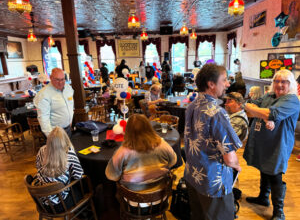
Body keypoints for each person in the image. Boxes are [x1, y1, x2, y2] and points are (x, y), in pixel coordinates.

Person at [184, 63, 242, 220]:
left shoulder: (192, 105)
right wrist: (237, 166)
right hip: (213, 181)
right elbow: (229, 158)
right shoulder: (217, 113)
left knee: (198, 216)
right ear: (211, 84)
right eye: (224, 80)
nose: (228, 84)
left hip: (192, 175)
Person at [244, 69, 300, 220]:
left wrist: (259, 111)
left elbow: (271, 114)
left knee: (275, 173)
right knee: (264, 167)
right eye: (276, 81)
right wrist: (255, 109)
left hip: (279, 143)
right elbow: (251, 105)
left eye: (284, 82)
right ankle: (263, 197)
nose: (279, 84)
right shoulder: (269, 95)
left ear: (291, 84)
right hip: (265, 141)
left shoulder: (292, 100)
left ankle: (279, 212)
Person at [105, 114, 177, 192]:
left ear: (127, 131)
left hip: (133, 197)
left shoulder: (122, 152)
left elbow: (112, 176)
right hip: (161, 191)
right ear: (149, 127)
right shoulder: (162, 144)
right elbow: (173, 161)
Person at [35, 127, 84, 213]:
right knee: (83, 187)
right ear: (65, 139)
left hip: (42, 201)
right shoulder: (69, 155)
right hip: (61, 204)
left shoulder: (41, 150)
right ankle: (84, 214)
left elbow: (38, 166)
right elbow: (78, 176)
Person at [34, 68, 74, 137]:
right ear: (51, 78)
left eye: (62, 79)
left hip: (68, 129)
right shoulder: (44, 94)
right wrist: (51, 136)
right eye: (57, 79)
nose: (60, 82)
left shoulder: (68, 88)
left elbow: (71, 105)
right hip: (55, 133)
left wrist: (70, 121)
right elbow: (43, 118)